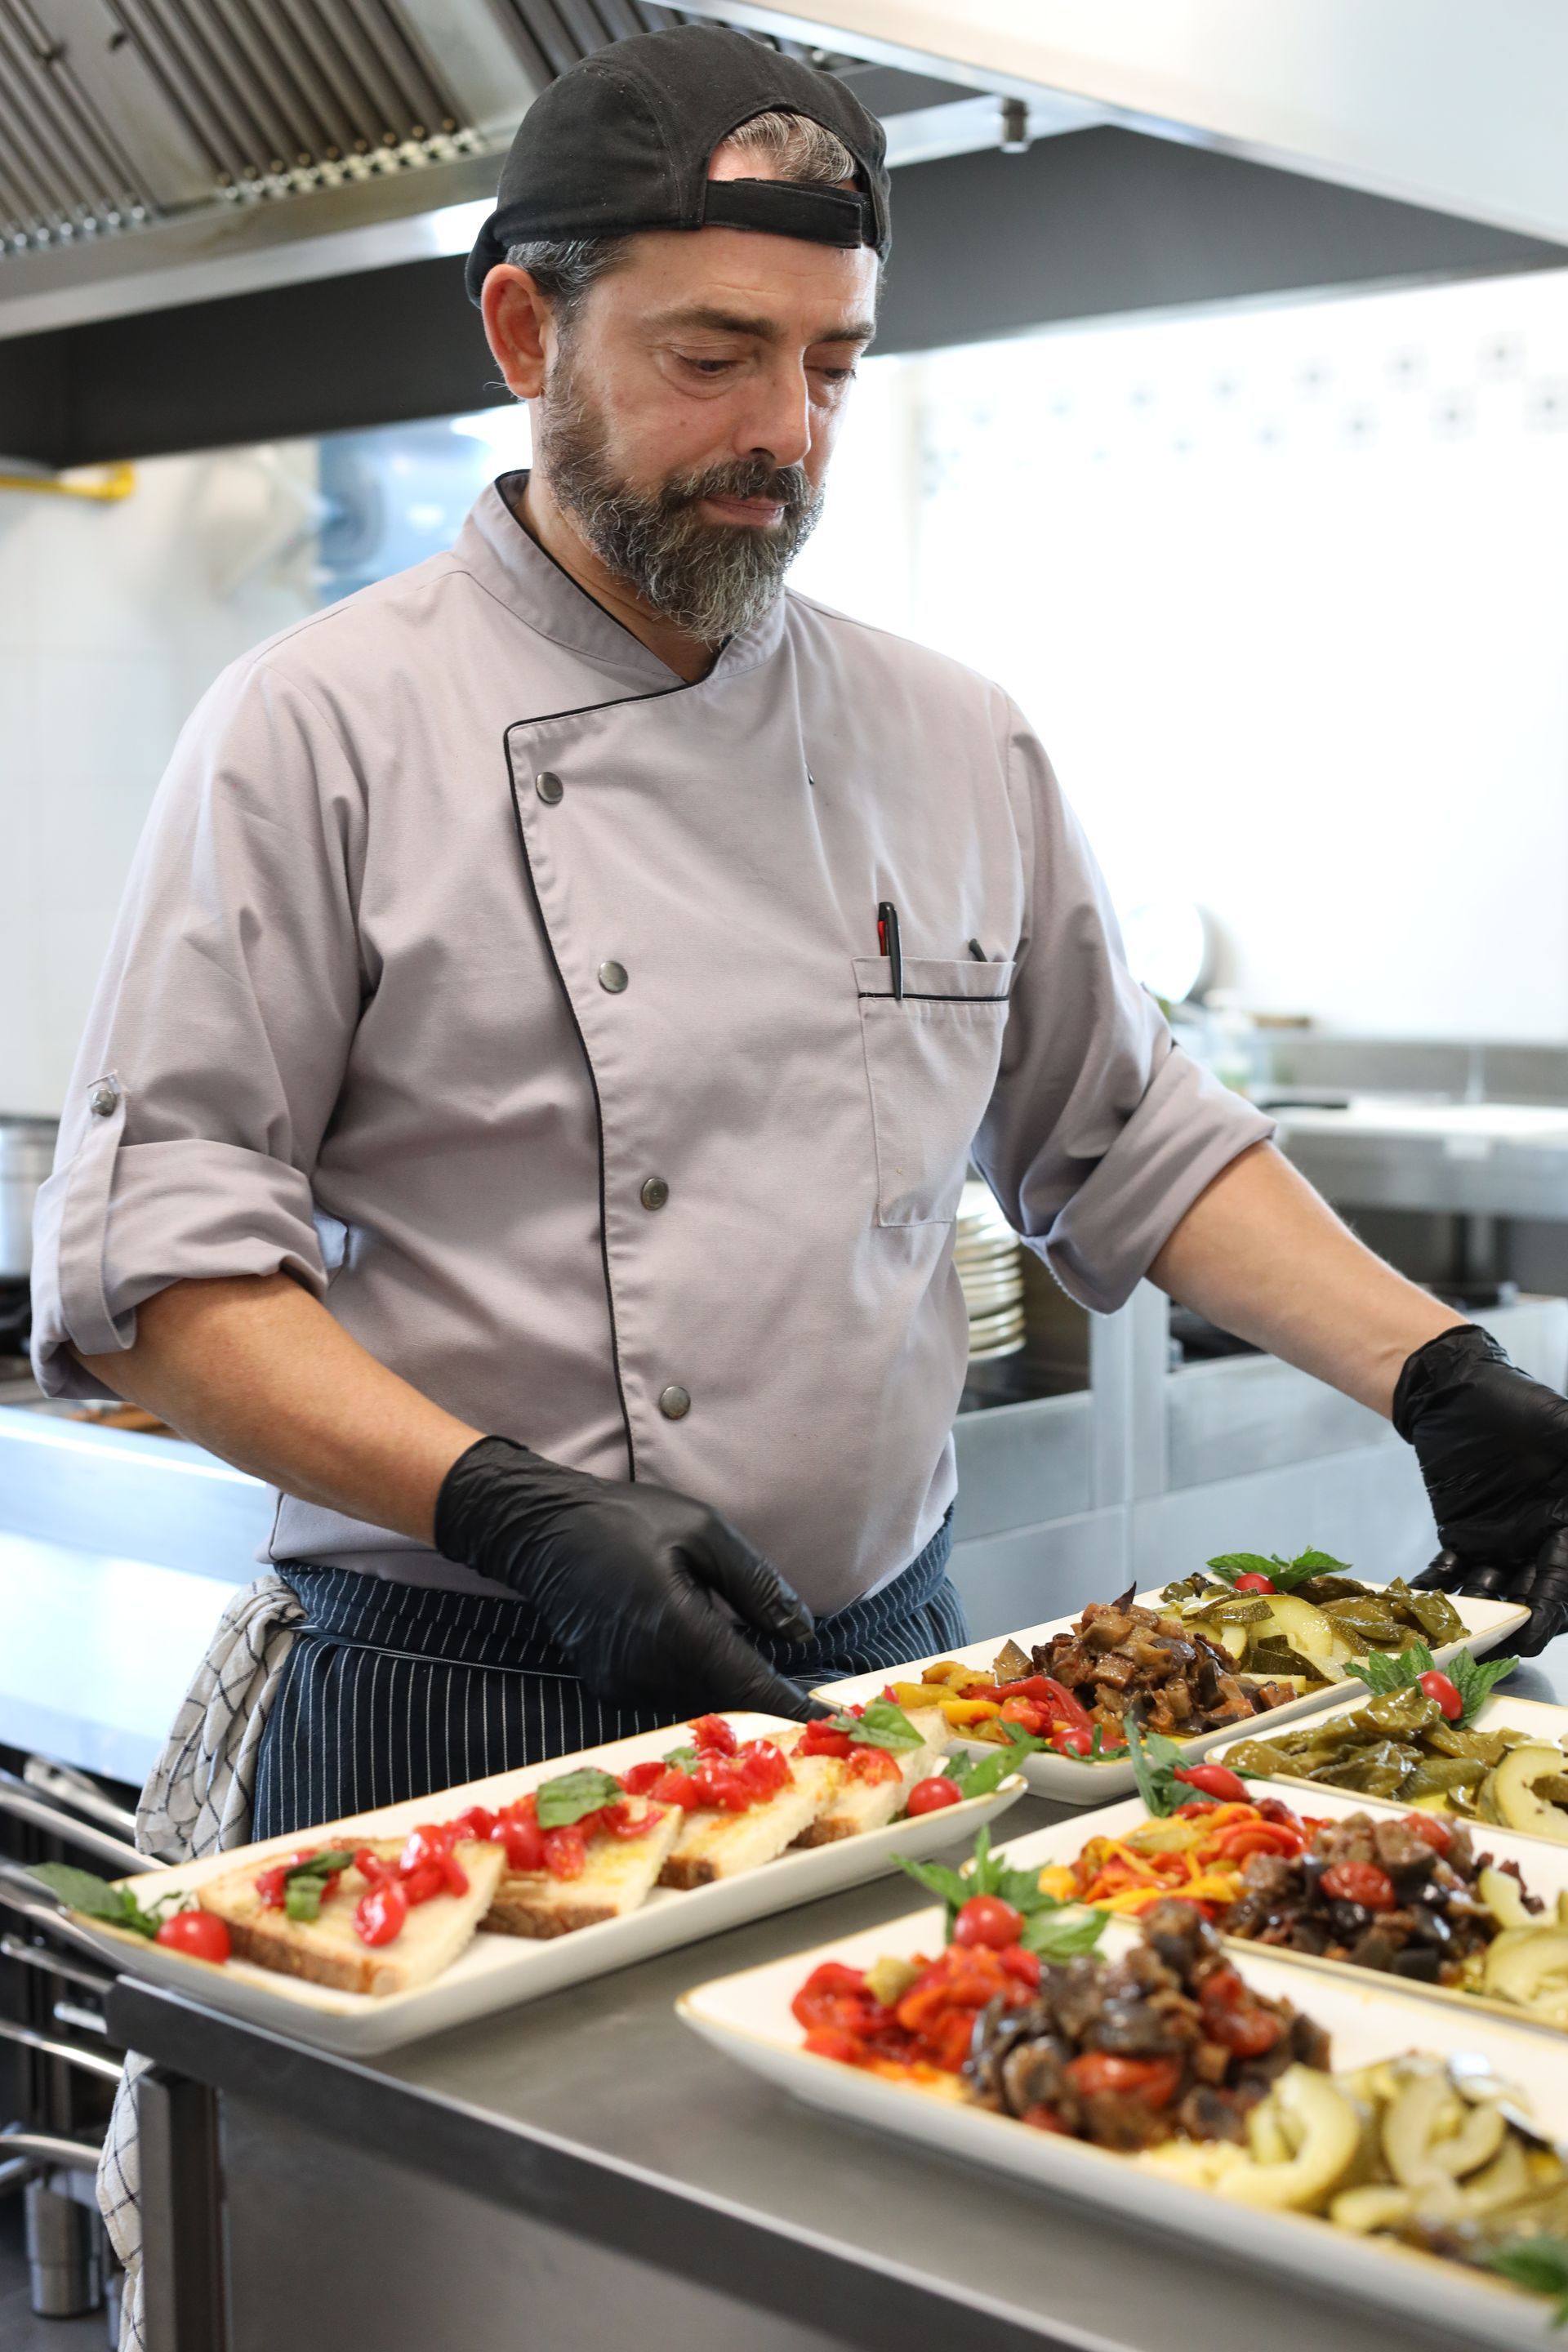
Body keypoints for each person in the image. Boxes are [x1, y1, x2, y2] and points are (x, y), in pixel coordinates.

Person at [30, 24, 1568, 1852]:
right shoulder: (318, 727)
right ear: (527, 336)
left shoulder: (951, 734)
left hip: (887, 1681)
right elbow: (154, 1282)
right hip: (461, 1695)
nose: (786, 431)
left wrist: (1442, 1372)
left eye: (833, 364)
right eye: (715, 357)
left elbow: (1127, 1136)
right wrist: (506, 1508)